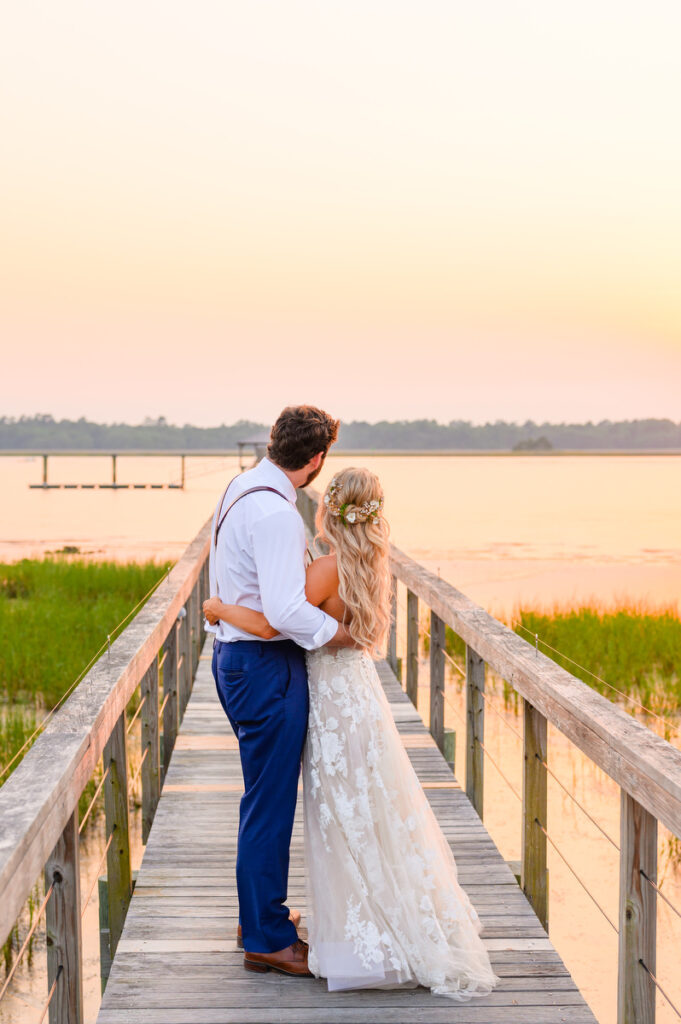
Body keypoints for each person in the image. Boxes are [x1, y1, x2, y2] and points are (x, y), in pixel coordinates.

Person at [204, 466, 499, 1000]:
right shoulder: (372, 564)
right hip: (359, 697)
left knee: (339, 816)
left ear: (327, 510)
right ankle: (381, 919)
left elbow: (273, 624)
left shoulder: (325, 570)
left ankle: (355, 930)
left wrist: (220, 608)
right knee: (371, 810)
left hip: (330, 705)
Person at [206, 405, 355, 979]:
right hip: (265, 666)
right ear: (316, 460)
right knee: (269, 804)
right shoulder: (275, 515)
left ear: (275, 444)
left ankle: (258, 915)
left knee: (260, 798)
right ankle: (267, 937)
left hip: (237, 657)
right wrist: (336, 636)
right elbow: (284, 610)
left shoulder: (240, 489)